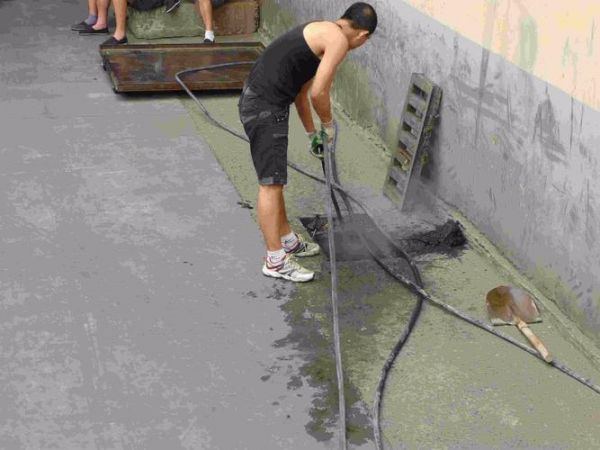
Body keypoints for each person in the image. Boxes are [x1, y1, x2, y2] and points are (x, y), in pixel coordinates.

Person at [238, 2, 377, 282]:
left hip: (265, 103)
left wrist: (312, 133)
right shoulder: (338, 41)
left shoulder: (322, 31)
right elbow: (318, 93)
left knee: (276, 181)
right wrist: (328, 125)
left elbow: (301, 93)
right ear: (363, 36)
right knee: (270, 184)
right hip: (265, 108)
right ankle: (275, 261)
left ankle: (287, 240)